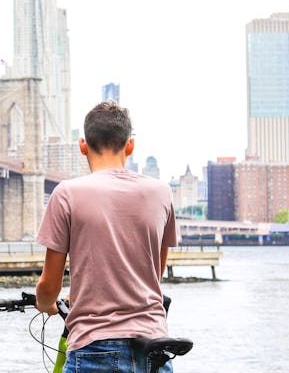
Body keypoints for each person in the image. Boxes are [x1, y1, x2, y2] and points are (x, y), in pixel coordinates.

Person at [34, 101, 178, 373]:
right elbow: (153, 274)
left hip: (94, 349)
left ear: (83, 146)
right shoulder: (162, 193)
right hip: (155, 347)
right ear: (130, 145)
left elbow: (49, 284)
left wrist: (46, 303)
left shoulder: (67, 194)